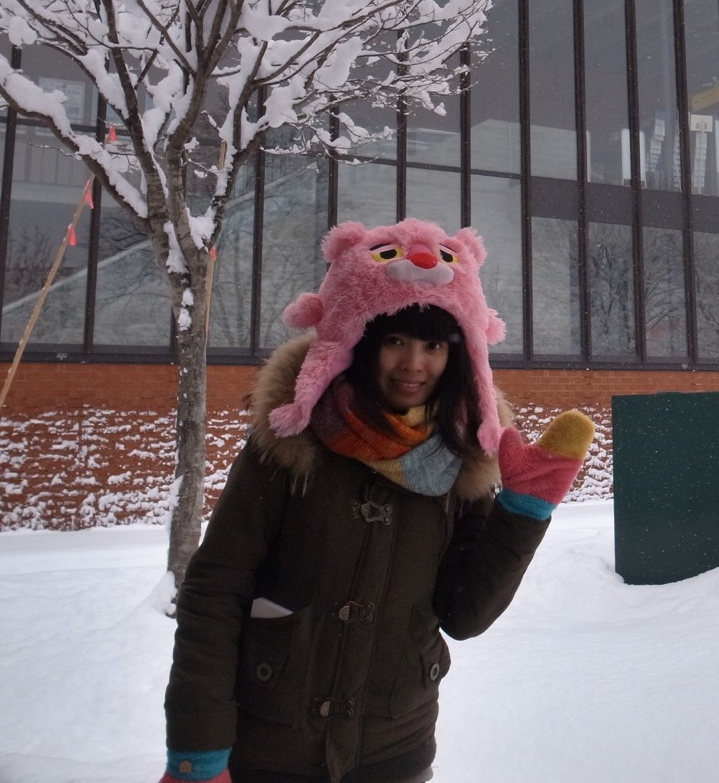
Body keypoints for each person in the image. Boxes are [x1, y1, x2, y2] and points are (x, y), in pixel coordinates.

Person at [160, 218, 593, 783]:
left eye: (433, 345)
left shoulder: (462, 458)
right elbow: (215, 590)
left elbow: (464, 614)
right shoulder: (292, 443)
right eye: (395, 340)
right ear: (363, 341)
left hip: (394, 746)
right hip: (272, 744)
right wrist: (198, 751)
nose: (414, 364)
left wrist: (523, 514)